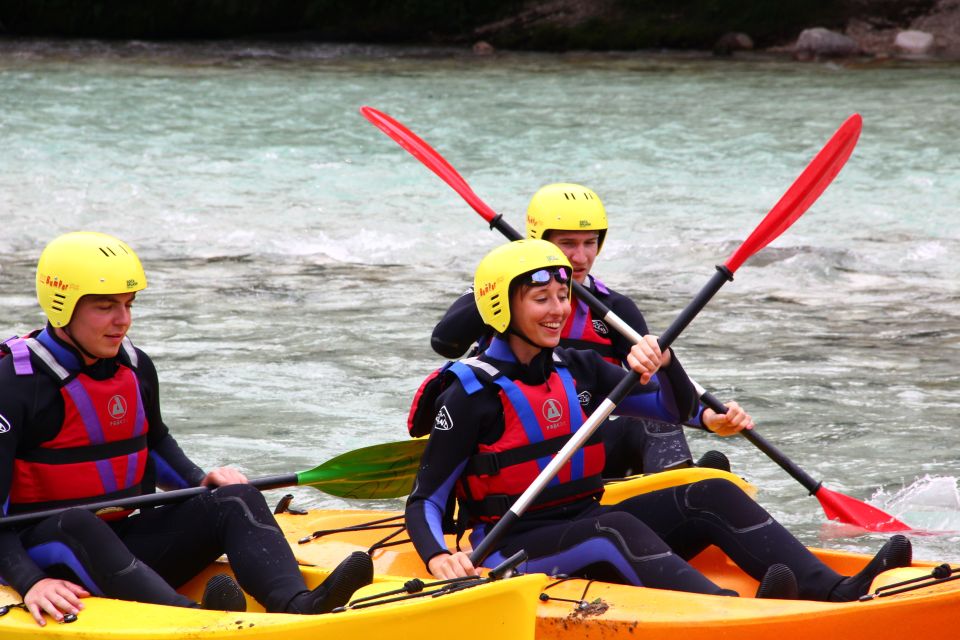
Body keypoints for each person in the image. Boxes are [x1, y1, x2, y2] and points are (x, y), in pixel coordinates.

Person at [405, 239, 912, 600]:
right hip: (509, 547)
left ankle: (831, 589)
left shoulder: (577, 368)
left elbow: (671, 409)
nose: (558, 310)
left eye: (562, 297)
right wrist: (436, 557)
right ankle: (724, 611)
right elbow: (426, 498)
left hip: (583, 518)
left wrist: (665, 363)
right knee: (616, 526)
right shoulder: (469, 395)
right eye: (541, 299)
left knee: (710, 490)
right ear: (501, 309)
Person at [0, 231, 373, 627]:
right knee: (76, 522)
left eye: (128, 305)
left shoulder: (135, 366)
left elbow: (154, 442)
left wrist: (201, 480)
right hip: (41, 551)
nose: (122, 321)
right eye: (105, 307)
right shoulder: (14, 384)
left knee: (235, 497)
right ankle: (195, 621)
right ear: (62, 308)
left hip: (123, 542)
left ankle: (300, 606)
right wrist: (31, 582)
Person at [430, 183, 748, 476]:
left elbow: (654, 389)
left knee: (655, 424)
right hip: (514, 447)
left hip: (587, 446)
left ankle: (685, 494)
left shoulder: (616, 310)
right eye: (566, 244)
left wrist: (708, 418)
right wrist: (505, 282)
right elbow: (446, 342)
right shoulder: (498, 294)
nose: (580, 257)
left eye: (589, 243)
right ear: (538, 241)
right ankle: (688, 487)